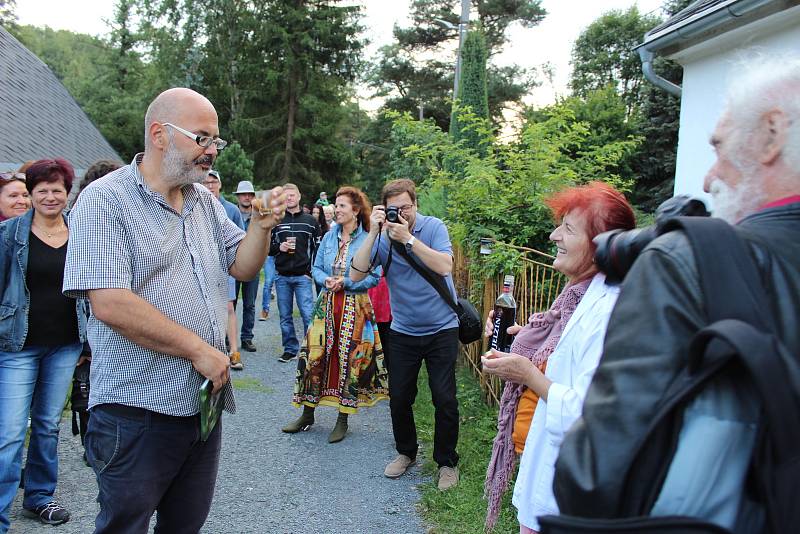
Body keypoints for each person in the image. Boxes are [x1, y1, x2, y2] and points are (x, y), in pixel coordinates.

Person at [552, 56, 800, 532]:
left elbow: (596, 476)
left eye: (720, 147)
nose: (709, 178)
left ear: (772, 133)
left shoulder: (686, 261)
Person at [63, 87, 286, 533]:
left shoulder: (202, 200)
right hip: (135, 410)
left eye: (216, 141)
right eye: (202, 137)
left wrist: (260, 227)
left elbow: (241, 266)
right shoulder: (104, 201)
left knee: (185, 525)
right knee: (124, 525)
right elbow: (109, 303)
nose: (212, 151)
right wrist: (197, 350)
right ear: (160, 134)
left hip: (199, 405)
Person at [480, 182, 636, 533]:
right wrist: (523, 339)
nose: (553, 236)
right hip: (550, 474)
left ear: (603, 244)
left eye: (568, 228)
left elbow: (591, 410)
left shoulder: (610, 310)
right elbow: (564, 354)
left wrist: (528, 373)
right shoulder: (578, 296)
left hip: (570, 490)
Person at [350, 178, 460, 491]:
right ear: (385, 209)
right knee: (399, 397)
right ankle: (406, 452)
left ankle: (446, 462)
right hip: (404, 330)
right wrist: (373, 232)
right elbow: (356, 273)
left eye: (407, 208)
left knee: (445, 398)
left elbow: (444, 266)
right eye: (395, 209)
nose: (403, 214)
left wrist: (409, 239)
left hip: (442, 327)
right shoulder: (383, 238)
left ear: (416, 204)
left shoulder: (433, 227)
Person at [0, 159, 88, 531]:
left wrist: (91, 341)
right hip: (17, 345)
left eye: (57, 190)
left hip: (66, 344)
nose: (50, 196)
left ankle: (39, 497)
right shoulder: (9, 234)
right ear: (31, 194)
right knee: (10, 431)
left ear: (68, 194)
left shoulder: (82, 232)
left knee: (49, 424)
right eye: (42, 190)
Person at [282, 186, 388, 443]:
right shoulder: (329, 237)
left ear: (355, 210)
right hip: (326, 304)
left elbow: (375, 276)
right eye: (336, 205)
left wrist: (347, 283)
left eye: (341, 206)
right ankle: (307, 414)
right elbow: (315, 267)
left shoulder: (368, 239)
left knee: (349, 359)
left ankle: (343, 418)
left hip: (355, 306)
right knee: (314, 356)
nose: (335, 210)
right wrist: (325, 279)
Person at [270, 183, 319, 363]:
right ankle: (290, 349)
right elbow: (266, 247)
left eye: (292, 195)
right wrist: (278, 247)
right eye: (286, 195)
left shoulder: (310, 221)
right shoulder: (276, 220)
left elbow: (317, 249)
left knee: (308, 314)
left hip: (302, 276)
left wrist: (311, 272)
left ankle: (311, 351)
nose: (289, 198)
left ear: (299, 197)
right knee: (285, 316)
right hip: (281, 276)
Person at [202, 170, 245, 371]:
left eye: (213, 182)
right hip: (201, 266)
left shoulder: (230, 209)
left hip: (225, 266)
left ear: (219, 185)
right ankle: (211, 350)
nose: (210, 186)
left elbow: (241, 238)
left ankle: (234, 351)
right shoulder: (194, 204)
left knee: (229, 307)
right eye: (206, 182)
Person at [233, 180, 260, 352]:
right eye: (244, 194)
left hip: (253, 266)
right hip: (233, 265)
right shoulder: (230, 213)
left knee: (249, 304)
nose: (247, 197)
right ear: (238, 197)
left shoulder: (259, 216)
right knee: (231, 303)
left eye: (250, 194)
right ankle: (229, 338)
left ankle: (247, 338)